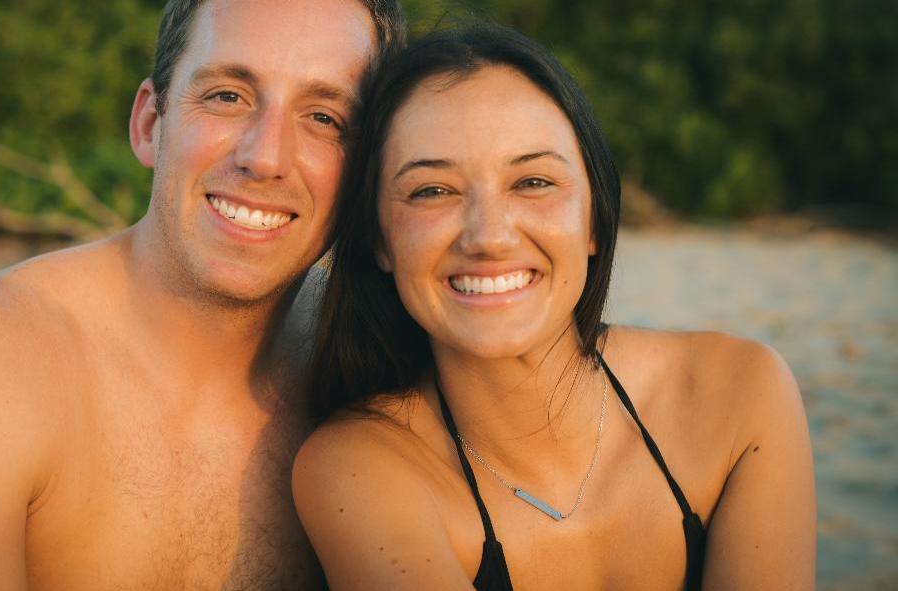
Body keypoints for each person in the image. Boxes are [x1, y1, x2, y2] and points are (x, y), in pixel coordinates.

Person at [0, 1, 405, 589]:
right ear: (149, 123)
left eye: (325, 118)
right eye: (227, 96)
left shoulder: (375, 365)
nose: (264, 157)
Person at [293, 24, 816, 590]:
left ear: (594, 220)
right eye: (432, 191)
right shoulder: (358, 468)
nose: (489, 237)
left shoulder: (739, 395)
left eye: (533, 182)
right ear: (380, 242)